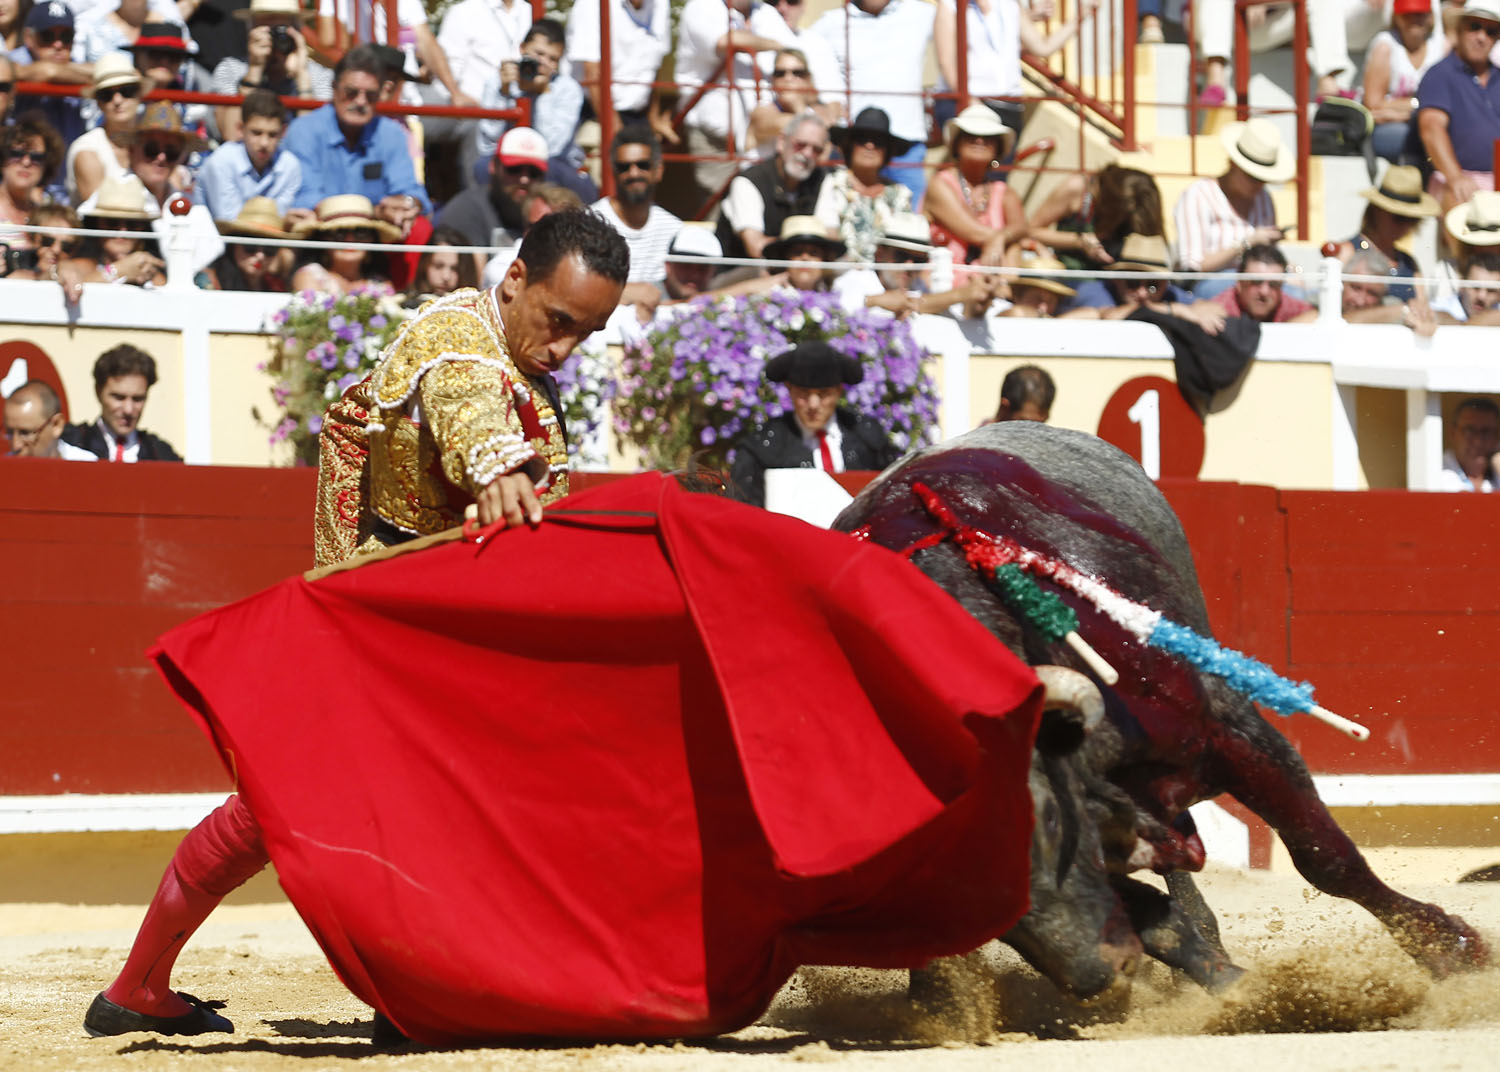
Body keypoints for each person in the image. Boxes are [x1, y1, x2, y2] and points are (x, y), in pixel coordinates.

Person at [82, 216, 628, 1040]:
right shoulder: (456, 337)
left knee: (294, 805)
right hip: (379, 617)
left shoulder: (526, 368)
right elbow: (463, 401)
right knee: (332, 805)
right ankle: (395, 1000)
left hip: (416, 620)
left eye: (587, 332)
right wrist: (496, 465)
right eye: (559, 320)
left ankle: (145, 987)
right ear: (515, 279)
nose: (566, 346)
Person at [729, 339, 900, 508]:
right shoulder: (762, 445)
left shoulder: (866, 436)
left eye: (824, 394)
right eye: (804, 393)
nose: (813, 404)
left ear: (839, 391)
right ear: (789, 389)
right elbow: (745, 510)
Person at [280, 43, 431, 231]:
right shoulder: (304, 131)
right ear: (334, 89)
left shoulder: (392, 134)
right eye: (351, 93)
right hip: (318, 234)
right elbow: (306, 199)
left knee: (419, 228)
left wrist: (406, 204)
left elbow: (411, 191)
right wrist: (373, 211)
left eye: (370, 95)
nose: (361, 101)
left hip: (376, 236)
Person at [810, 0, 934, 202]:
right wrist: (817, 107)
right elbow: (796, 58)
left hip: (907, 147)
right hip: (855, 148)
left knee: (911, 224)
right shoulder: (830, 23)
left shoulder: (923, 14)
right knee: (848, 221)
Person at [675, 0, 798, 197]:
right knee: (721, 212)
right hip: (717, 142)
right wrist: (774, 44)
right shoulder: (701, 6)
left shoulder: (765, 12)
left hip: (763, 139)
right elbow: (726, 40)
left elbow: (796, 54)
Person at [933, 0, 1097, 135]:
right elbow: (946, 61)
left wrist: (1080, 17)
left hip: (1009, 105)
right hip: (969, 105)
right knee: (972, 171)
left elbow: (1043, 47)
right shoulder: (949, 5)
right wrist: (970, 102)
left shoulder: (1009, 4)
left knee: (999, 174)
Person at [1172, 118, 1292, 298]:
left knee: (1300, 290)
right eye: (1252, 177)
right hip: (1209, 284)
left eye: (1263, 179)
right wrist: (1248, 243)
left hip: (1259, 282)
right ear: (1234, 164)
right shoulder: (1198, 195)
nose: (1259, 185)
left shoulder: (1264, 197)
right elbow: (1192, 267)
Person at [921, 103, 1027, 279]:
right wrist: (1000, 237)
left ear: (997, 148)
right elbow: (973, 232)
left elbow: (1021, 228)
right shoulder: (940, 184)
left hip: (988, 280)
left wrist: (1002, 238)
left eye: (988, 137)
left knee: (1014, 247)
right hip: (944, 279)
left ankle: (1004, 293)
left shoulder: (1004, 192)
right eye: (971, 135)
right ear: (957, 144)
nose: (979, 141)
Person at [472, 19, 585, 184]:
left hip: (554, 166)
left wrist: (543, 93)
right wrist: (503, 94)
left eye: (552, 59)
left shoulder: (567, 88)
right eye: (538, 54)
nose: (543, 63)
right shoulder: (499, 81)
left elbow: (552, 148)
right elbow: (486, 145)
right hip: (508, 160)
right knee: (483, 168)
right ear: (522, 48)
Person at [1416, 0, 1500, 211]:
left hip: (1496, 182)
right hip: (1455, 180)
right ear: (1459, 29)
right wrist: (1455, 177)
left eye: (1491, 31)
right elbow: (1431, 129)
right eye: (1474, 27)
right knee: (1462, 214)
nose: (1482, 37)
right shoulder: (1439, 75)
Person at [715, 112, 829, 263]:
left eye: (816, 150)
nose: (807, 154)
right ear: (781, 142)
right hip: (741, 276)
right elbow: (755, 248)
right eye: (800, 145)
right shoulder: (749, 181)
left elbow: (830, 235)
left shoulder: (822, 180)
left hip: (797, 274)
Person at [212, 0, 330, 144]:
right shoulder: (230, 69)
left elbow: (315, 140)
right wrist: (254, 70)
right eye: (266, 31)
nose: (272, 40)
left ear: (297, 33)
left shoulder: (319, 75)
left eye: (281, 31)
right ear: (250, 32)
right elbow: (231, 134)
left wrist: (302, 79)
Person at [592, 124, 680, 313]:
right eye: (624, 167)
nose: (634, 173)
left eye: (643, 165)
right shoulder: (590, 222)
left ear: (658, 170)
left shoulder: (673, 228)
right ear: (613, 172)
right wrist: (629, 292)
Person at [437, 126, 547, 274]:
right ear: (493, 166)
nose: (524, 179)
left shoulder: (551, 212)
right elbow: (474, 284)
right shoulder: (466, 210)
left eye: (534, 172)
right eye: (514, 169)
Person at [816, 107, 913, 264]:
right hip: (842, 273)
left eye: (878, 142)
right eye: (862, 139)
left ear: (887, 151)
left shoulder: (901, 193)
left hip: (887, 276)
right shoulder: (833, 184)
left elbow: (905, 244)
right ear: (849, 145)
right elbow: (827, 234)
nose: (869, 146)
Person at [566, 0, 672, 142]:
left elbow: (654, 65)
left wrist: (654, 119)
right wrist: (618, 134)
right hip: (596, 116)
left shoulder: (660, 4)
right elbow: (592, 74)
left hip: (639, 118)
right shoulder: (590, 4)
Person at [1331, 165, 1440, 302]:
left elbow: (1422, 306)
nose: (1406, 225)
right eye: (1399, 217)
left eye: (1412, 219)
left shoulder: (1409, 263)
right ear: (1377, 211)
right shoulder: (1347, 252)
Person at [1030, 163, 1164, 274]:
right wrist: (1080, 242)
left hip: (1124, 282)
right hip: (1076, 276)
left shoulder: (1137, 203)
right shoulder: (1079, 188)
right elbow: (1031, 231)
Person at [61, 343, 181, 462]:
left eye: (138, 399)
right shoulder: (71, 443)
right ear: (98, 392)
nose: (128, 410)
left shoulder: (160, 454)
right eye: (119, 397)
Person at [196, 89, 301, 221]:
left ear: (283, 132)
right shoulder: (221, 162)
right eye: (256, 133)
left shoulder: (290, 165)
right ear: (240, 129)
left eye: (272, 134)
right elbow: (228, 225)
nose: (264, 143)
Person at [1361, 0, 1447, 164]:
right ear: (1397, 18)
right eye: (1408, 15)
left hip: (1421, 121)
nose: (1415, 20)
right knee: (1413, 137)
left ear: (1430, 17)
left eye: (1420, 14)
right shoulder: (1385, 46)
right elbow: (1373, 105)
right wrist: (1418, 108)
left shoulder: (1441, 47)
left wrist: (1405, 111)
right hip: (1389, 128)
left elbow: (1446, 102)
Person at [9, 1, 89, 156]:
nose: (58, 44)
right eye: (47, 36)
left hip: (65, 173)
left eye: (66, 37)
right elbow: (49, 72)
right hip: (23, 166)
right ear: (28, 38)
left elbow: (103, 70)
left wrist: (62, 71)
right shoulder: (14, 60)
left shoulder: (74, 65)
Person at [289, 194, 400, 297]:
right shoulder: (310, 276)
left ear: (372, 239)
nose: (349, 240)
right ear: (322, 238)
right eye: (339, 232)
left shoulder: (381, 284)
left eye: (361, 232)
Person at [72, 172, 167, 287]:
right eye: (112, 223)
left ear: (142, 228)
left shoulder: (154, 278)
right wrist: (118, 269)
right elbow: (74, 290)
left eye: (132, 224)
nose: (123, 231)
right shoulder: (80, 267)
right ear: (97, 225)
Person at [69, 53, 140, 206]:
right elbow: (101, 215)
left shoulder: (156, 145)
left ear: (139, 95)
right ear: (98, 103)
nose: (117, 100)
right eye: (107, 94)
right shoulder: (86, 150)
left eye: (127, 91)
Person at [1338, 245, 1440, 335]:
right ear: (1342, 283)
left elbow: (1452, 320)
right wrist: (1402, 311)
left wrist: (1424, 314)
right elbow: (1344, 320)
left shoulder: (1390, 303)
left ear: (1383, 294)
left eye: (1372, 293)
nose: (1360, 300)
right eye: (1356, 287)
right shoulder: (1325, 301)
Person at [1209, 243, 1317, 324]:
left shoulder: (1283, 303)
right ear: (1239, 282)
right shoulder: (1221, 309)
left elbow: (1316, 315)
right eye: (1256, 281)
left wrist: (1287, 331)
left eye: (1274, 284)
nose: (1264, 292)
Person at [205, 196, 292, 292]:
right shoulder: (209, 281)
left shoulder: (277, 286)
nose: (260, 256)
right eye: (251, 246)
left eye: (270, 249)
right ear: (234, 245)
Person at [0, 116, 59, 249]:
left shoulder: (47, 216)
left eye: (36, 157)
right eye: (16, 154)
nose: (26, 162)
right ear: (2, 158)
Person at [4, 379, 98, 459]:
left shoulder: (88, 468)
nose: (16, 445)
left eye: (25, 433)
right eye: (9, 432)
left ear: (56, 424)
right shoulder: (4, 470)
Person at [403, 224, 478, 308]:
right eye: (438, 266)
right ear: (425, 264)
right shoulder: (401, 305)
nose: (446, 277)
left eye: (455, 269)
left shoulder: (477, 309)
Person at [1437, 396, 1500, 491]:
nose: (1478, 441)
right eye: (1469, 431)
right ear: (1453, 433)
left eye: (1486, 432)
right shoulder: (1436, 472)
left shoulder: (1497, 470)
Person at [989, 364, 1055, 423]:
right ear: (1004, 409)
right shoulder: (982, 436)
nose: (1035, 431)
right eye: (1027, 423)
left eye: (1041, 424)